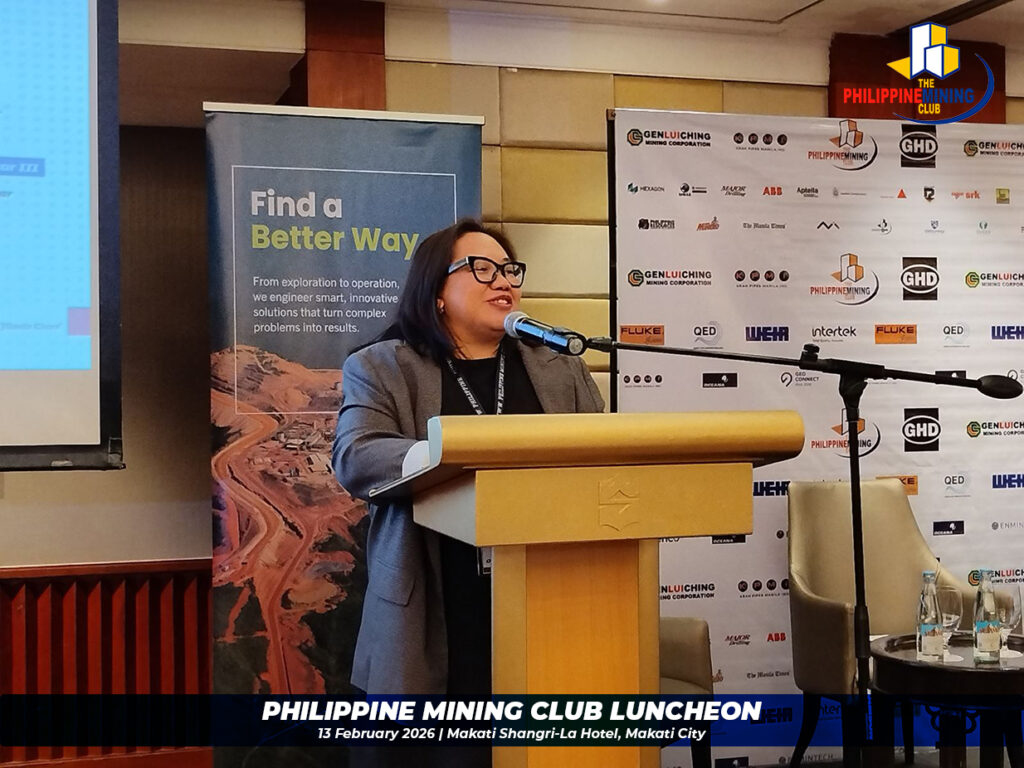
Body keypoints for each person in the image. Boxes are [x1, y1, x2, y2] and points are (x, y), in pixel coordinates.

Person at [333, 218, 604, 701]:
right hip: (436, 595)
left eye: (509, 270)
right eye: (482, 268)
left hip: (551, 589)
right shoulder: (382, 366)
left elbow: (602, 455)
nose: (503, 281)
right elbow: (357, 455)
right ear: (437, 290)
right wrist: (449, 455)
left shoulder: (560, 366)